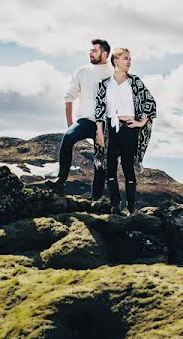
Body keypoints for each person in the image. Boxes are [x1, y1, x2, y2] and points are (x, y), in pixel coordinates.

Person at [46, 39, 113, 197]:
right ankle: (60, 181)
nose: (90, 53)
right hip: (84, 120)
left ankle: (95, 198)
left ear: (105, 54)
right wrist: (70, 124)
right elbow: (69, 97)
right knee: (68, 138)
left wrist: (103, 130)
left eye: (94, 51)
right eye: (90, 51)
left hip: (105, 125)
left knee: (100, 160)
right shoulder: (82, 71)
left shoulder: (113, 74)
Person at [94, 47, 156, 214]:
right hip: (110, 130)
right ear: (116, 61)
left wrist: (141, 122)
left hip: (129, 129)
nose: (129, 61)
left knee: (128, 168)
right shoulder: (105, 84)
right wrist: (99, 132)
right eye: (125, 58)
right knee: (110, 168)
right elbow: (99, 109)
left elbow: (149, 101)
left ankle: (131, 208)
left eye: (130, 58)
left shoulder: (135, 82)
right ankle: (116, 204)